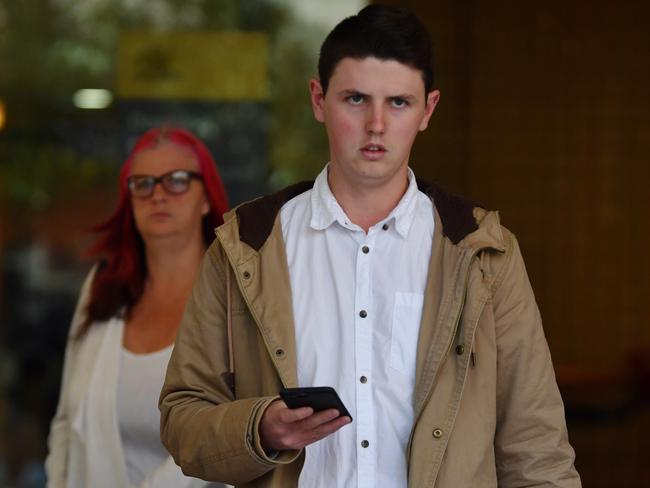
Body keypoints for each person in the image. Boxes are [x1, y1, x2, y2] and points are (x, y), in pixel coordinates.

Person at [159, 5, 581, 488]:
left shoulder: (485, 252)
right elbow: (182, 417)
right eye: (356, 99)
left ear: (429, 109)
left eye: (398, 102)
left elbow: (537, 448)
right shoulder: (245, 243)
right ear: (319, 100)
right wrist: (260, 428)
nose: (376, 124)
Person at [45, 127, 229, 488]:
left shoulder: (234, 296)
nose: (157, 195)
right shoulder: (103, 288)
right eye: (142, 184)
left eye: (176, 180)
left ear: (206, 198)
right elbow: (66, 422)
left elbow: (230, 433)